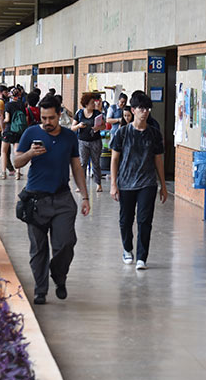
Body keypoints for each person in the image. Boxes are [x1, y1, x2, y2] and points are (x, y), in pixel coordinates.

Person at [14, 96, 91, 305]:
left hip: (62, 198)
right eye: (44, 118)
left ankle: (59, 275)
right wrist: (30, 153)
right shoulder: (31, 133)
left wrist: (85, 196)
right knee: (38, 249)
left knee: (66, 243)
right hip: (35, 200)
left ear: (59, 115)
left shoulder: (69, 137)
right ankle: (40, 290)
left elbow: (76, 167)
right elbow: (16, 162)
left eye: (51, 118)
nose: (47, 122)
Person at [110, 92, 167, 270]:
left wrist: (163, 185)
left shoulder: (154, 134)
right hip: (126, 182)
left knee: (144, 220)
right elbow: (114, 159)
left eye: (147, 108)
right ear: (133, 110)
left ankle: (142, 257)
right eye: (141, 108)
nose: (145, 112)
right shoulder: (122, 133)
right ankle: (127, 249)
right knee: (125, 220)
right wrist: (113, 184)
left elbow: (158, 160)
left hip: (147, 183)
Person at [71, 92, 104, 192]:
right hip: (82, 141)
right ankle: (81, 185)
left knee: (96, 163)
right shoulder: (79, 113)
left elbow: (104, 126)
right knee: (82, 163)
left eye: (94, 102)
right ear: (86, 104)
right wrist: (79, 126)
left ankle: (98, 184)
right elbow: (72, 127)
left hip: (95, 141)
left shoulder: (97, 113)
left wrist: (98, 128)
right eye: (92, 103)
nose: (94, 104)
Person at [0, 87, 27, 180]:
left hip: (9, 130)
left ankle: (3, 173)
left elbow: (7, 119)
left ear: (10, 95)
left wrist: (3, 120)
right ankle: (17, 173)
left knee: (4, 151)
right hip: (19, 131)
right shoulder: (22, 104)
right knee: (17, 152)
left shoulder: (8, 105)